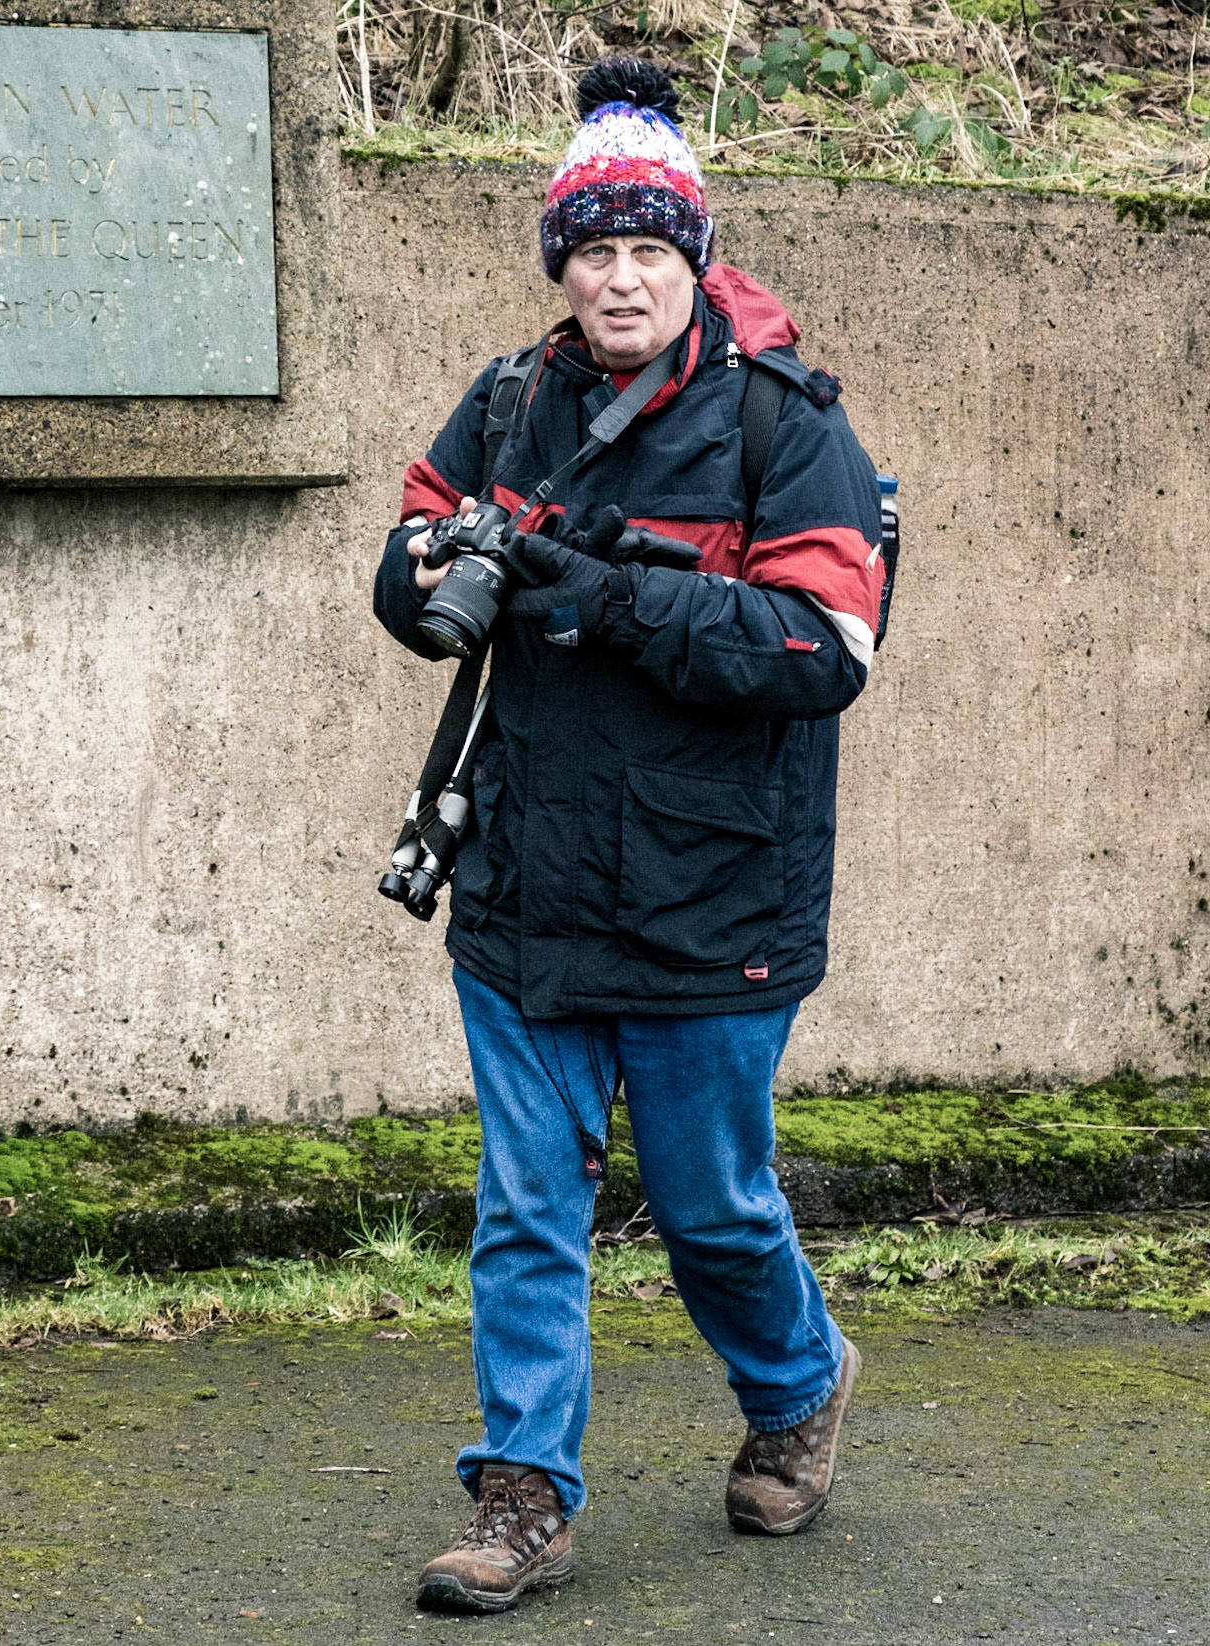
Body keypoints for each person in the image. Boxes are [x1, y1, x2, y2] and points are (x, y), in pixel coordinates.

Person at [372, 57, 885, 1615]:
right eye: (590, 249)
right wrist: (435, 567)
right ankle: (522, 1492)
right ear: (560, 264)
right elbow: (407, 565)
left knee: (709, 1200)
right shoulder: (507, 399)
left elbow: (821, 651)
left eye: (647, 249)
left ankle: (796, 1379)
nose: (617, 276)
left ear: (694, 258)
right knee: (527, 1202)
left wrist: (600, 589)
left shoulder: (784, 424)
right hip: (524, 875)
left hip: (712, 886)